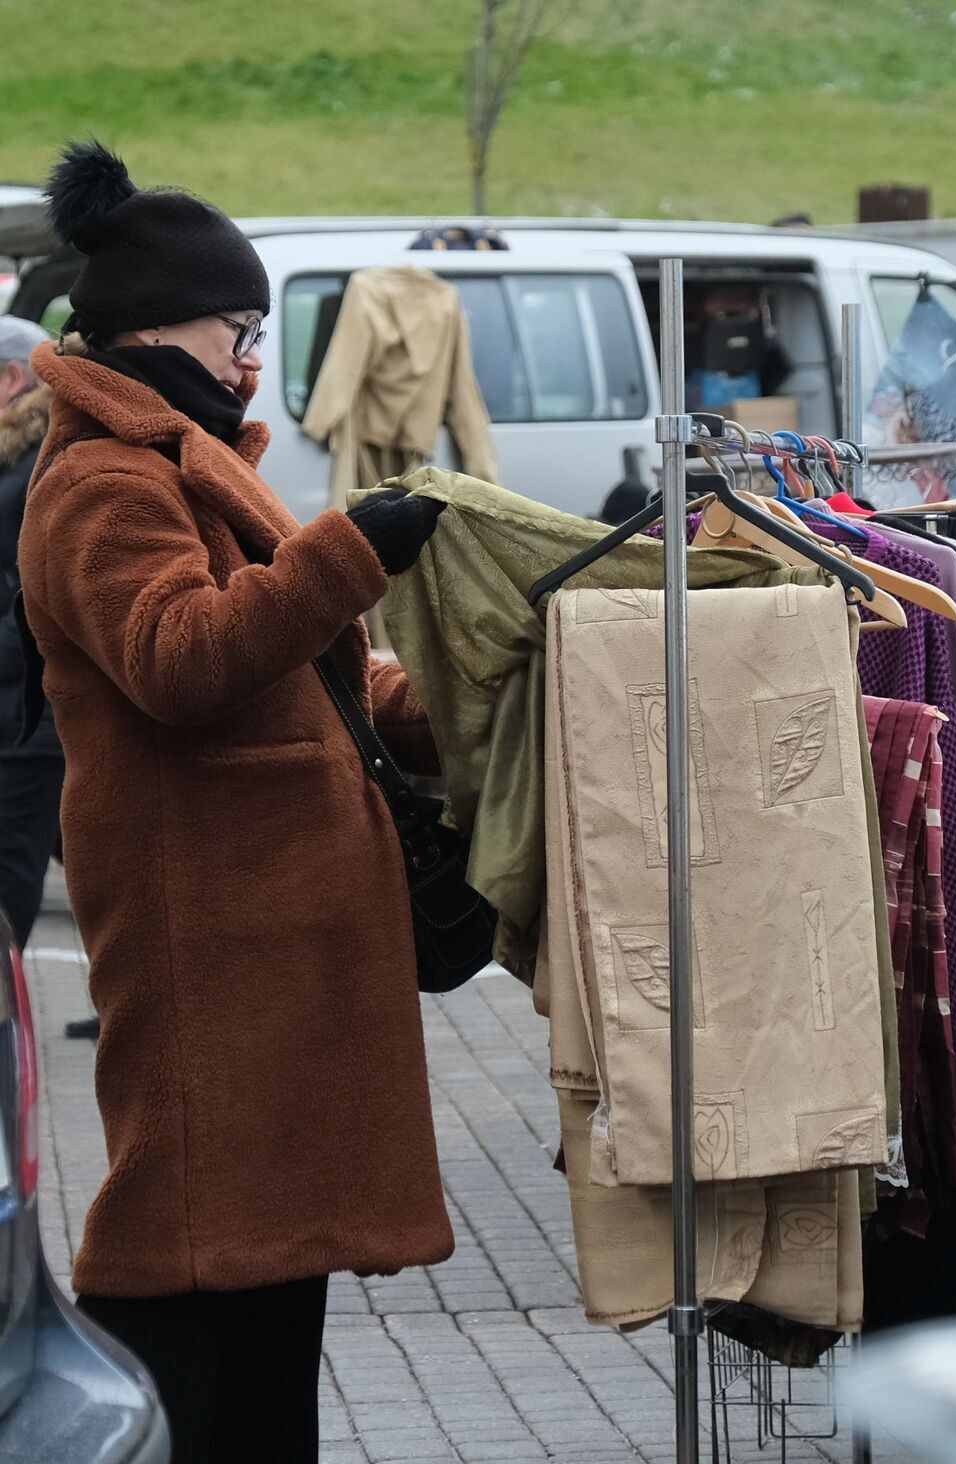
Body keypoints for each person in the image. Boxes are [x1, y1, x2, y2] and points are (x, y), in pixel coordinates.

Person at [21, 140, 454, 1463]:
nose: (253, 356)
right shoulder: (103, 475)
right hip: (212, 932)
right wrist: (347, 553)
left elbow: (302, 680)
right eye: (238, 328)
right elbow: (181, 657)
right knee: (192, 1249)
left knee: (270, 1264)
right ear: (155, 324)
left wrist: (438, 708)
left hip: (263, 936)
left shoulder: (180, 457)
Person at [0, 317, 64, 951]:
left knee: (11, 868)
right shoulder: (19, 457)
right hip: (29, 708)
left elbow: (27, 600)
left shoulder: (31, 464)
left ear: (13, 378)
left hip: (29, 715)